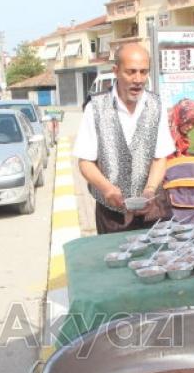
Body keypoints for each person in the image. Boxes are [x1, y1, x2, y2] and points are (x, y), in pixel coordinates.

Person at [73, 43, 175, 234]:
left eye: (143, 72)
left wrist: (150, 190)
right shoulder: (95, 108)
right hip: (113, 215)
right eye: (131, 72)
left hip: (154, 210)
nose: (138, 79)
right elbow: (85, 162)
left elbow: (160, 157)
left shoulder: (156, 105)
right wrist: (107, 189)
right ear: (116, 71)